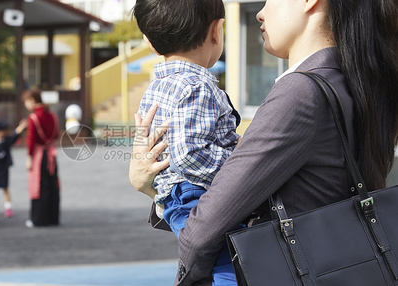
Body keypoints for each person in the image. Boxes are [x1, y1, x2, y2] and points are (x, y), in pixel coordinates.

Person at [129, 0, 398, 284]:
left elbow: (206, 225)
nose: (260, 12)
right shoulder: (350, 81)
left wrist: (156, 191)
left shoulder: (300, 93)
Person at [132, 0, 240, 234]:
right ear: (217, 30)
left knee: (206, 261)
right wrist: (239, 158)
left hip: (174, 196)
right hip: (195, 194)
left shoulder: (155, 88)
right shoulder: (197, 86)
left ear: (149, 42)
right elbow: (189, 153)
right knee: (228, 265)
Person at [23, 88, 60, 228]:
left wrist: (29, 157)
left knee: (38, 186)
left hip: (39, 155)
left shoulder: (33, 117)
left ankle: (38, 219)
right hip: (51, 154)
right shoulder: (52, 115)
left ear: (32, 100)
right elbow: (56, 135)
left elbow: (31, 140)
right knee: (52, 185)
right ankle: (53, 218)